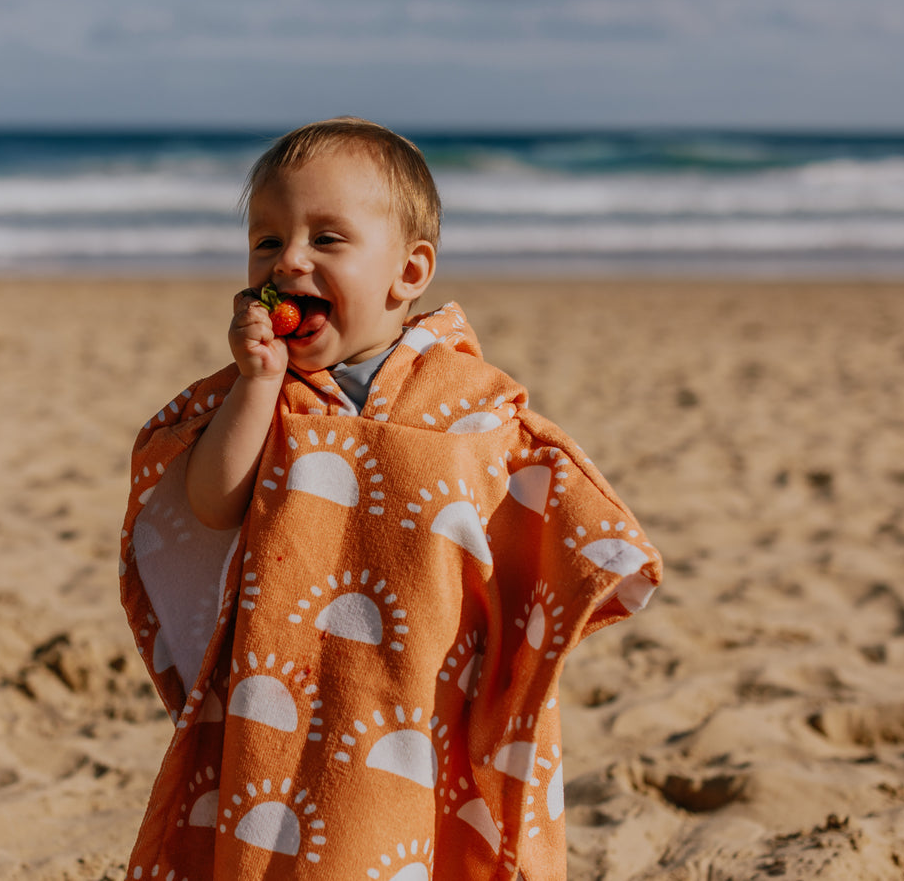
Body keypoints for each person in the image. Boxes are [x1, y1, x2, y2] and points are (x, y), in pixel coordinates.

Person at [117, 117, 661, 880]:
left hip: (418, 691)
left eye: (326, 240)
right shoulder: (260, 398)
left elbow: (529, 507)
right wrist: (257, 386)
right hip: (283, 686)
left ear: (407, 273)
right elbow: (210, 503)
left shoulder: (467, 405)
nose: (289, 260)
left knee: (405, 840)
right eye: (267, 242)